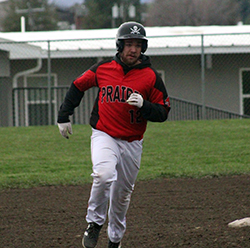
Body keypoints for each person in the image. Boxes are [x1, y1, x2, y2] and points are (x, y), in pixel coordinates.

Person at [57, 21, 170, 248]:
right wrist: (63, 115)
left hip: (132, 142)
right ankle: (94, 223)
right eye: (129, 44)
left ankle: (115, 240)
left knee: (122, 195)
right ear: (120, 45)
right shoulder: (103, 68)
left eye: (138, 44)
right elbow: (77, 86)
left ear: (143, 48)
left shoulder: (150, 76)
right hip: (104, 134)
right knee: (103, 175)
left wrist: (144, 105)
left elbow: (163, 111)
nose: (133, 49)